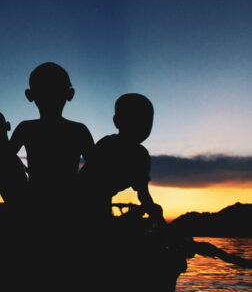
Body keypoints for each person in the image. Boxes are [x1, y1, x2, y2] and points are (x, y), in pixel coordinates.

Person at [10, 62, 95, 205]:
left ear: (30, 95)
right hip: (69, 200)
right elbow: (96, 167)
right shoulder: (79, 130)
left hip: (34, 199)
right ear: (69, 94)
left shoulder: (26, 128)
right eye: (45, 90)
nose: (49, 96)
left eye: (53, 90)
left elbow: (4, 159)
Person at [80, 93, 165, 225]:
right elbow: (92, 182)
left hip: (100, 200)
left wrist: (155, 213)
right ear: (117, 121)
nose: (141, 127)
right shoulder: (108, 145)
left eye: (146, 122)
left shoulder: (141, 156)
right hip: (81, 198)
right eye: (134, 120)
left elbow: (143, 194)